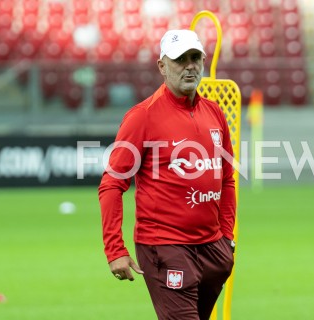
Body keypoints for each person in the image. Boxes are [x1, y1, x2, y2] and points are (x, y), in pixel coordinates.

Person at [98, 29, 236, 320]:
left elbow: (226, 178)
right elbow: (111, 184)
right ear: (162, 66)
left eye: (195, 57)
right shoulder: (143, 116)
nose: (189, 66)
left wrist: (227, 237)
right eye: (179, 59)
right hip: (166, 247)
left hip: (214, 249)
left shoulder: (215, 113)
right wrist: (115, 249)